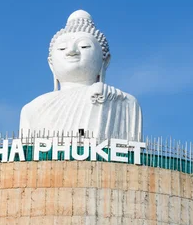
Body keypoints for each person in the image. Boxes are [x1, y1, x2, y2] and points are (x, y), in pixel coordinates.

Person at [19, 10, 143, 141]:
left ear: (104, 61)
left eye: (84, 46)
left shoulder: (123, 102)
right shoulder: (32, 108)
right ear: (51, 64)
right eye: (62, 48)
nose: (72, 51)